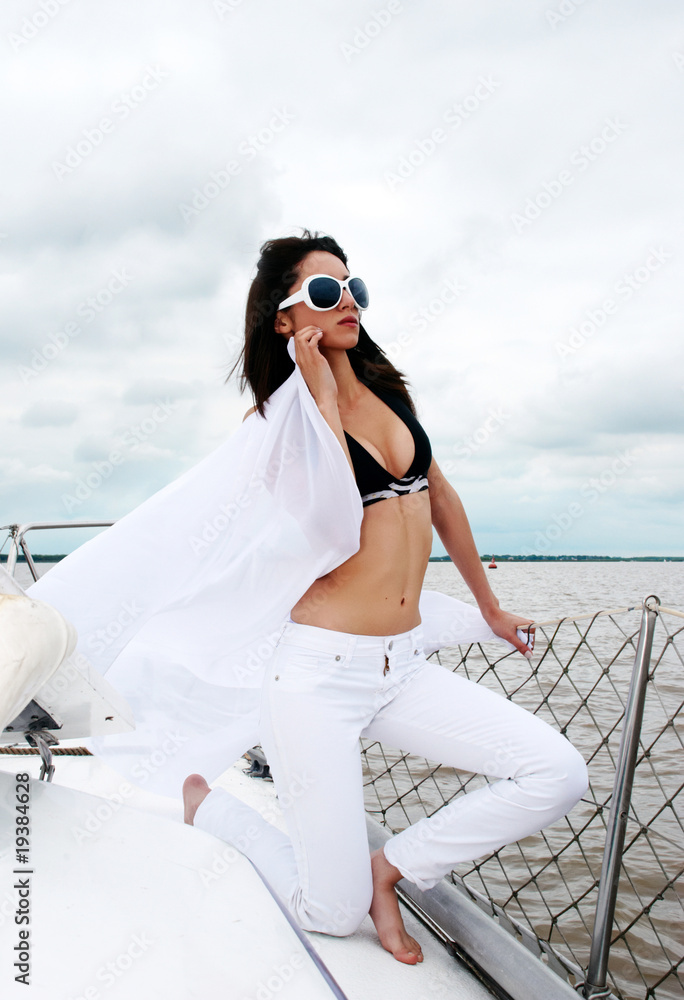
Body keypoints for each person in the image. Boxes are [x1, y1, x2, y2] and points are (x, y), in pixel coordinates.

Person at [181, 230, 588, 965]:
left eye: (354, 289)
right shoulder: (276, 427)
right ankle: (210, 807)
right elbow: (331, 520)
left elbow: (441, 495)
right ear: (285, 319)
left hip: (399, 665)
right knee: (330, 916)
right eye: (327, 292)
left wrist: (489, 607)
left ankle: (391, 867)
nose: (350, 304)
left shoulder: (390, 392)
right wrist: (321, 398)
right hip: (317, 678)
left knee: (557, 773)